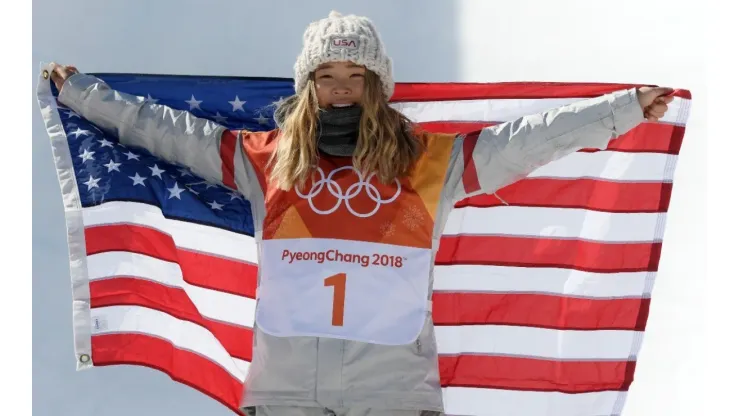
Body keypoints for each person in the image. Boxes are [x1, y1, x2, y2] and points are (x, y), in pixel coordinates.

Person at [49, 10, 673, 416]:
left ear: (378, 84)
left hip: (394, 397)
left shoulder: (433, 164)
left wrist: (620, 109)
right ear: (308, 85)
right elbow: (169, 132)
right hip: (285, 397)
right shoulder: (266, 162)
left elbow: (525, 140)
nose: (342, 87)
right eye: (327, 75)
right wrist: (83, 95)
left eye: (356, 74)